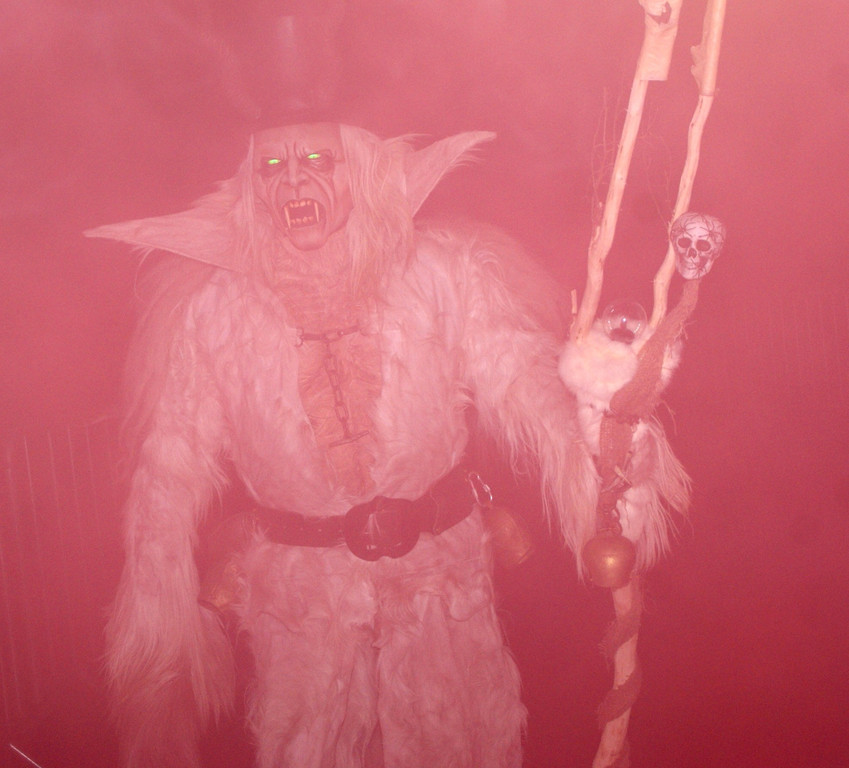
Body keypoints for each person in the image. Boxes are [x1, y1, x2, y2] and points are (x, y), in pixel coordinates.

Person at [87, 122, 597, 768]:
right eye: (272, 164)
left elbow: (522, 376)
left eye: (317, 158)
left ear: (358, 171)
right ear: (253, 187)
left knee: (455, 741)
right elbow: (169, 466)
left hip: (437, 582)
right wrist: (157, 617)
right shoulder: (214, 311)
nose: (295, 178)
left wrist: (599, 446)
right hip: (302, 603)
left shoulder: (439, 273)